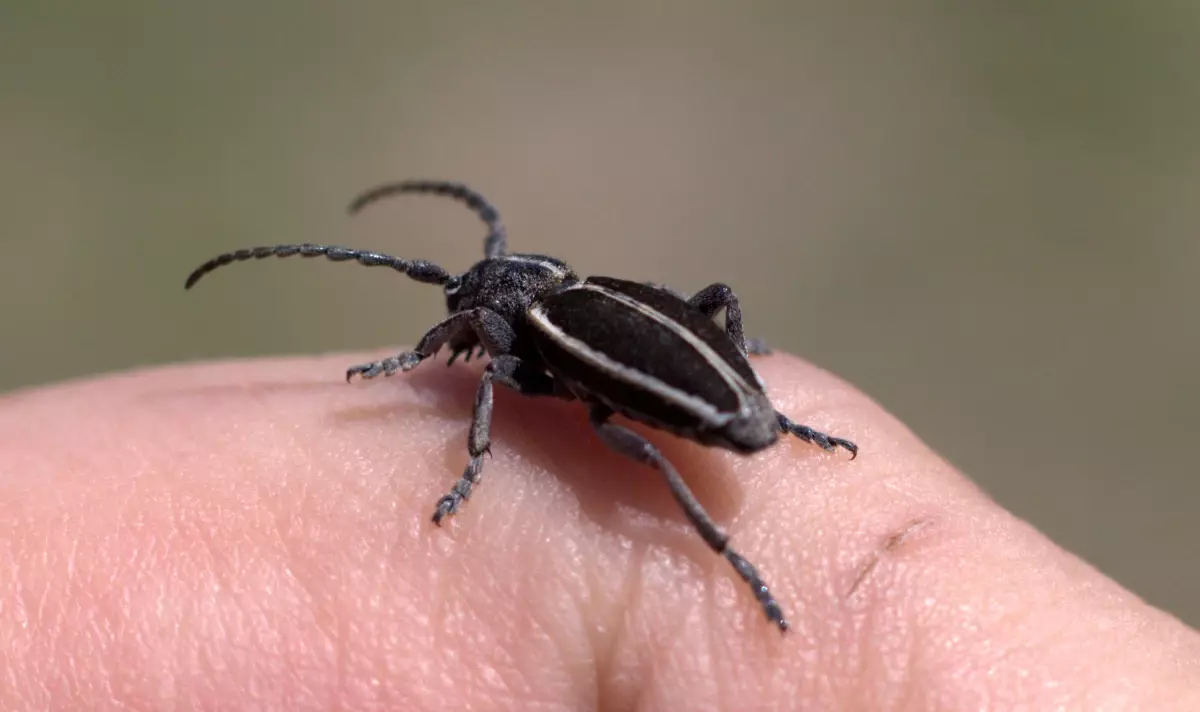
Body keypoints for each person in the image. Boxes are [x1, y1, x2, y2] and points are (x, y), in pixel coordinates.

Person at [2, 352, 1197, 709]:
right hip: (733, 399)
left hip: (712, 410)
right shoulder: (541, 308)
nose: (458, 338)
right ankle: (772, 431)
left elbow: (477, 377)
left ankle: (730, 554)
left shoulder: (521, 350)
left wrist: (472, 469)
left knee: (623, 450)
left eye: (466, 318)